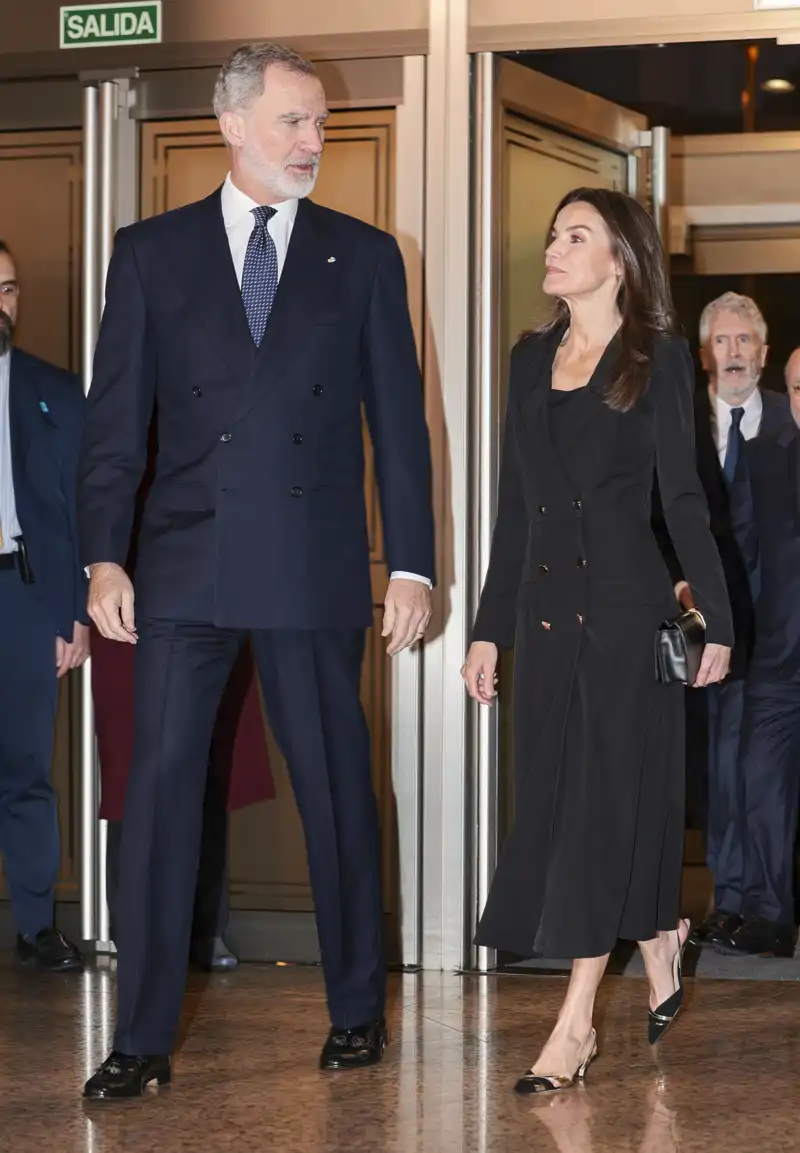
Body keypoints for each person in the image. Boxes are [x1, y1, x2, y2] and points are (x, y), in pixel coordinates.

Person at [78, 42, 435, 1100]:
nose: (311, 143)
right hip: (182, 565)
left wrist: (410, 561)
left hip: (311, 562)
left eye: (319, 124)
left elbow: (399, 429)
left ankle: (357, 1009)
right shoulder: (148, 254)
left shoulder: (365, 257)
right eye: (291, 122)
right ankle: (140, 1037)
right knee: (158, 797)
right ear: (232, 125)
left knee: (333, 790)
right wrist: (103, 551)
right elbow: (114, 426)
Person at [462, 188, 732, 1095]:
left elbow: (686, 502)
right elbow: (513, 513)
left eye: (576, 235)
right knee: (573, 808)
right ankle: (659, 935)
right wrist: (489, 631)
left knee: (595, 817)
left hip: (626, 627)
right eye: (552, 234)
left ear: (619, 260)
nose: (555, 246)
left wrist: (720, 625)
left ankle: (574, 1025)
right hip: (542, 628)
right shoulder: (529, 357)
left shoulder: (654, 363)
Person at [91, 431, 275, 971]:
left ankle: (204, 927)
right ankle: (136, 931)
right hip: (133, 613)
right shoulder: (123, 421)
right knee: (137, 776)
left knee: (209, 769)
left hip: (217, 604)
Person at [656, 294, 791, 950]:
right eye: (722, 341)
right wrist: (679, 581)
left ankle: (767, 911)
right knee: (719, 771)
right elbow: (656, 520)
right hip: (706, 633)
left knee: (766, 774)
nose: (734, 352)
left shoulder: (792, 425)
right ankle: (729, 901)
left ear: (763, 354)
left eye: (746, 342)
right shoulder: (678, 430)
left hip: (782, 639)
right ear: (704, 354)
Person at [0, 240, 88, 971]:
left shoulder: (54, 390)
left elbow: (80, 512)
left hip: (23, 593)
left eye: (7, 289)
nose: (1, 306)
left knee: (25, 764)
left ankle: (35, 926)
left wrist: (76, 614)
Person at [712, 349, 800, 957]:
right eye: (797, 388)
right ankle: (770, 917)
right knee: (762, 783)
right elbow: (739, 555)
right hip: (778, 656)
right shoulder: (765, 460)